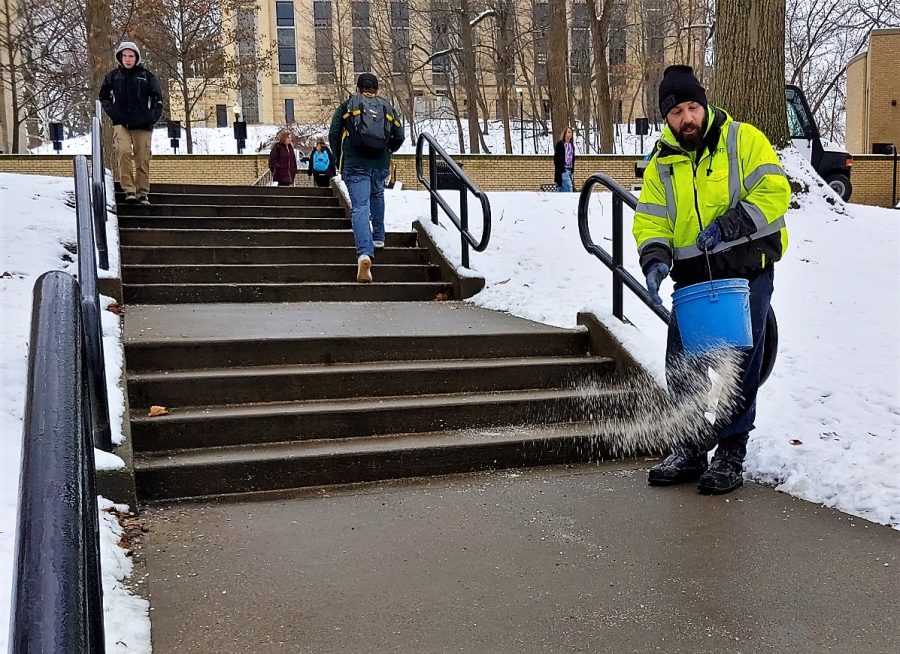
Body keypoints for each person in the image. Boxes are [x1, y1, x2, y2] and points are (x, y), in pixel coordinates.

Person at [632, 65, 791, 495]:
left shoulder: (744, 140)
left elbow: (777, 193)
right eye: (677, 111)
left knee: (738, 365)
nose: (688, 118)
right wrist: (654, 258)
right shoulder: (661, 163)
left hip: (745, 272)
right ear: (666, 117)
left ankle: (730, 453)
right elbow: (651, 221)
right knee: (683, 367)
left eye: (693, 107)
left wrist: (731, 223)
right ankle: (689, 448)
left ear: (704, 105)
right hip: (692, 282)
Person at [329, 73, 405, 283]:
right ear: (376, 89)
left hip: (355, 163)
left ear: (358, 88)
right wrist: (387, 150)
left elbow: (334, 133)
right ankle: (378, 237)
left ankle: (364, 253)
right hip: (379, 163)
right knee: (378, 194)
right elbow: (399, 136)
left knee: (360, 207)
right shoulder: (387, 107)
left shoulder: (347, 105)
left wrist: (338, 159)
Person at [99, 41, 163, 205]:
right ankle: (129, 190)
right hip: (121, 123)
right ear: (120, 57)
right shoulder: (112, 76)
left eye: (131, 56)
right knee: (123, 151)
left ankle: (142, 193)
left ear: (136, 57)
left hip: (143, 124)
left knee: (142, 158)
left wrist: (152, 117)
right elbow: (104, 97)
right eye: (125, 56)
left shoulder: (147, 76)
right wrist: (114, 113)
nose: (128, 59)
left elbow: (158, 98)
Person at [553, 126, 576, 192]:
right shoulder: (560, 144)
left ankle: (556, 200)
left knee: (562, 189)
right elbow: (556, 159)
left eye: (571, 132)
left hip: (570, 170)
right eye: (569, 132)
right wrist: (561, 169)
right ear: (565, 133)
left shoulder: (571, 145)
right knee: (569, 187)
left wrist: (572, 170)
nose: (570, 134)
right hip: (563, 170)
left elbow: (572, 158)